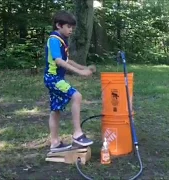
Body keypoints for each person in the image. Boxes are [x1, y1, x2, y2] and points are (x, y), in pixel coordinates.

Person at [44, 10, 96, 153]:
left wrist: (84, 67)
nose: (71, 30)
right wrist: (80, 73)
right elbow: (59, 61)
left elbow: (68, 60)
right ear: (58, 25)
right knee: (76, 96)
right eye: (68, 27)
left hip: (54, 79)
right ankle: (78, 134)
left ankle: (54, 143)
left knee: (55, 111)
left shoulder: (61, 40)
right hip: (54, 79)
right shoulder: (54, 40)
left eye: (72, 27)